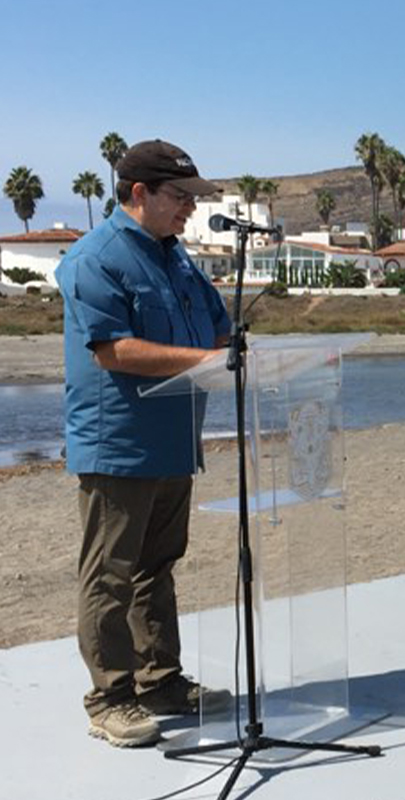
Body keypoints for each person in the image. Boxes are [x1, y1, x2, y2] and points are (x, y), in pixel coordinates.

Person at [55, 140, 232, 747]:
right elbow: (115, 350)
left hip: (174, 442)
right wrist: (211, 358)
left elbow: (217, 324)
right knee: (109, 574)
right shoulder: (94, 258)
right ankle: (109, 697)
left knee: (157, 568)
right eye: (180, 197)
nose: (190, 208)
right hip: (119, 447)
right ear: (139, 194)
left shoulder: (176, 257)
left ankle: (159, 679)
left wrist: (232, 352)